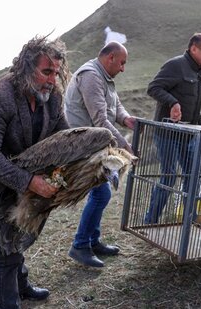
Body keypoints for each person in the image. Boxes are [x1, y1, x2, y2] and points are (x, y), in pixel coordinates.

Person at [0, 35, 70, 309]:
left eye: (55, 73)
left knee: (18, 234)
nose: (51, 79)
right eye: (46, 71)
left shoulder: (52, 98)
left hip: (21, 176)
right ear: (25, 68)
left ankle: (22, 286)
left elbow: (64, 136)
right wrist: (30, 182)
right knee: (6, 247)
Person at [64, 41, 137, 267]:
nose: (123, 68)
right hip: (81, 143)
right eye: (122, 63)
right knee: (101, 194)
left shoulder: (104, 77)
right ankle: (80, 245)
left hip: (93, 142)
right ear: (110, 58)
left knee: (100, 193)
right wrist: (124, 145)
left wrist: (125, 119)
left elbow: (114, 105)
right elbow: (100, 119)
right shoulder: (91, 76)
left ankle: (92, 241)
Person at [144, 33, 201, 224]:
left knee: (191, 175)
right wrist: (173, 102)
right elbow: (153, 88)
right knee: (169, 176)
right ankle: (151, 220)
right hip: (167, 133)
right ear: (194, 49)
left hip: (187, 135)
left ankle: (188, 220)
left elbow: (194, 110)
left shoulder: (198, 74)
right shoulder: (175, 65)